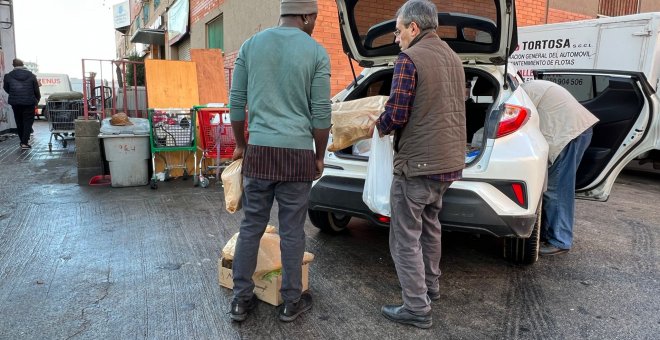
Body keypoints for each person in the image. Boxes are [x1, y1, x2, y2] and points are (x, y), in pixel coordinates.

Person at [227, 0, 331, 323]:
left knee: (251, 227)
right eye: (314, 18)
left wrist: (243, 145)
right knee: (292, 231)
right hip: (298, 155)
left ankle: (241, 300)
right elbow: (321, 116)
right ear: (305, 15)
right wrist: (319, 155)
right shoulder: (316, 53)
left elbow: (236, 105)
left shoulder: (251, 46)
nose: (314, 23)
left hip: (259, 151)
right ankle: (290, 302)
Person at [369, 0, 466, 329]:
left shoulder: (409, 59)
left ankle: (416, 307)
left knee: (404, 236)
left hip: (418, 165)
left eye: (398, 31)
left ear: (413, 27)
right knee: (430, 225)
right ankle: (430, 287)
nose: (396, 38)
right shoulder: (453, 58)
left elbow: (397, 113)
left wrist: (375, 126)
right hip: (448, 164)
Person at [520, 79, 598, 256]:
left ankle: (560, 240)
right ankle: (550, 234)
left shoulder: (521, 94)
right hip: (576, 130)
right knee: (556, 187)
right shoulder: (529, 88)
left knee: (557, 189)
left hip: (567, 133)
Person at [3, 58, 40, 150]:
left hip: (15, 102)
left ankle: (23, 140)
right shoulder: (31, 75)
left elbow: (6, 88)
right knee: (28, 121)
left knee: (19, 121)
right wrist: (37, 99)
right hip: (29, 102)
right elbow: (36, 89)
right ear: (23, 64)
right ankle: (24, 142)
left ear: (13, 65)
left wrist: (14, 94)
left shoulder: (8, 76)